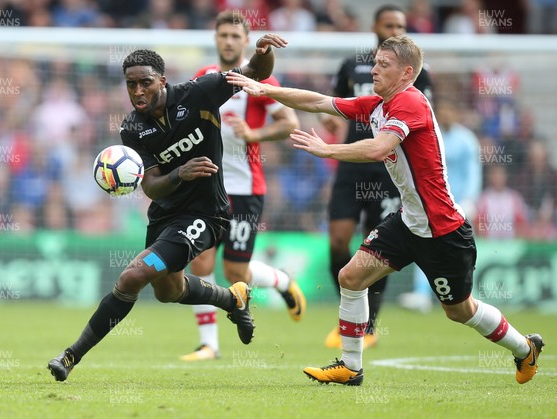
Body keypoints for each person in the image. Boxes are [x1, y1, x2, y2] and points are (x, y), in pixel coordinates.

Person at [226, 34, 544, 386]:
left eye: (383, 64)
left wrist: (328, 151)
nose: (373, 69)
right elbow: (319, 101)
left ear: (406, 73)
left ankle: (525, 347)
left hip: (442, 230)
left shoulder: (410, 103)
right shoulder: (378, 105)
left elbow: (379, 149)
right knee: (351, 277)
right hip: (409, 223)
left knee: (459, 310)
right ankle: (350, 366)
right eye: (375, 62)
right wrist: (265, 89)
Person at [47, 33, 288, 381]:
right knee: (167, 291)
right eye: (131, 85)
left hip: (208, 215)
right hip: (165, 217)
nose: (138, 92)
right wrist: (181, 172)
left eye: (145, 83)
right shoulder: (133, 128)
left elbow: (254, 71)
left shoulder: (201, 92)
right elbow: (153, 187)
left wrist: (262, 53)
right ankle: (232, 299)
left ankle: (70, 356)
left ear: (162, 80)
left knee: (133, 276)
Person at [180, 11, 305, 362]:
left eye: (236, 36)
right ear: (216, 38)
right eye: (224, 35)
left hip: (246, 189)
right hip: (207, 187)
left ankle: (282, 281)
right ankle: (209, 344)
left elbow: (289, 121)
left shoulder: (259, 81)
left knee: (236, 271)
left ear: (246, 41)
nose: (230, 41)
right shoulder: (204, 77)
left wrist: (255, 134)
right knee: (200, 263)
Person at [320, 4, 433, 350]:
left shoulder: (419, 77)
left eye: (401, 24)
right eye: (389, 24)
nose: (395, 29)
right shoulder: (352, 66)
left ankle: (368, 327)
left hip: (387, 167)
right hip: (352, 163)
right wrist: (330, 124)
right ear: (375, 28)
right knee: (338, 241)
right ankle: (350, 316)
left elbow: (420, 120)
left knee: (377, 249)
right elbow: (337, 104)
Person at [399, 99, 482, 312]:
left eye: (448, 110)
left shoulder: (466, 140)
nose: (444, 115)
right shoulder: (434, 135)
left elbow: (473, 173)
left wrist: (470, 200)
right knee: (427, 246)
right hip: (435, 203)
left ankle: (466, 295)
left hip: (459, 205)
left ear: (456, 113)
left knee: (459, 251)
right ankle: (422, 294)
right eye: (441, 111)